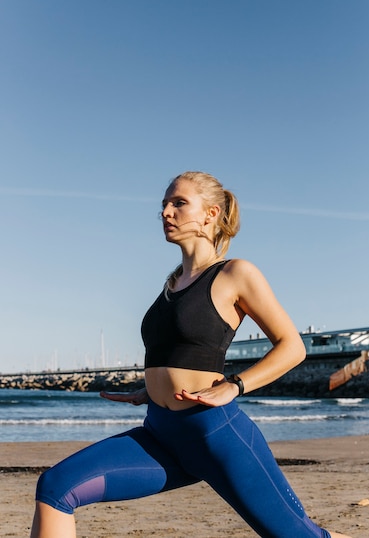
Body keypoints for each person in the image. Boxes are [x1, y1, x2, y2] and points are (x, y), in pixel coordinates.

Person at [30, 171, 352, 538]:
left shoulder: (235, 273)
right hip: (160, 435)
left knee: (301, 537)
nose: (166, 211)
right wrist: (150, 389)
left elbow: (292, 347)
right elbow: (179, 353)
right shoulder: (170, 284)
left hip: (216, 438)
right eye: (164, 204)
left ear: (211, 214)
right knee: (56, 487)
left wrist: (236, 385)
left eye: (179, 203)